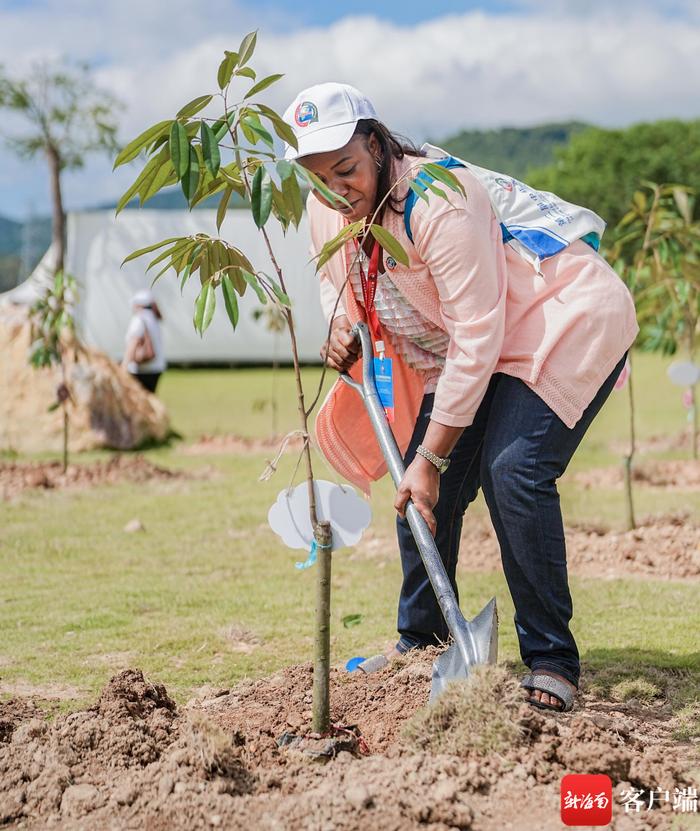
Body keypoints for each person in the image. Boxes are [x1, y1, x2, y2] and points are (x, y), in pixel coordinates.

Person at [282, 83, 638, 713]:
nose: (336, 189)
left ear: (377, 142)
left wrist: (431, 458)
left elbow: (478, 335)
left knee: (514, 470)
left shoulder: (439, 202)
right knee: (419, 484)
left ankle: (551, 660)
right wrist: (340, 331)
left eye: (347, 170)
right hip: (488, 342)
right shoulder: (327, 210)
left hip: (562, 317)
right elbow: (336, 289)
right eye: (317, 178)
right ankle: (423, 639)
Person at [122, 289, 166, 393]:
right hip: (156, 368)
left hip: (141, 370)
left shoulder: (139, 319)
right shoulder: (153, 318)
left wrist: (123, 367)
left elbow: (133, 343)